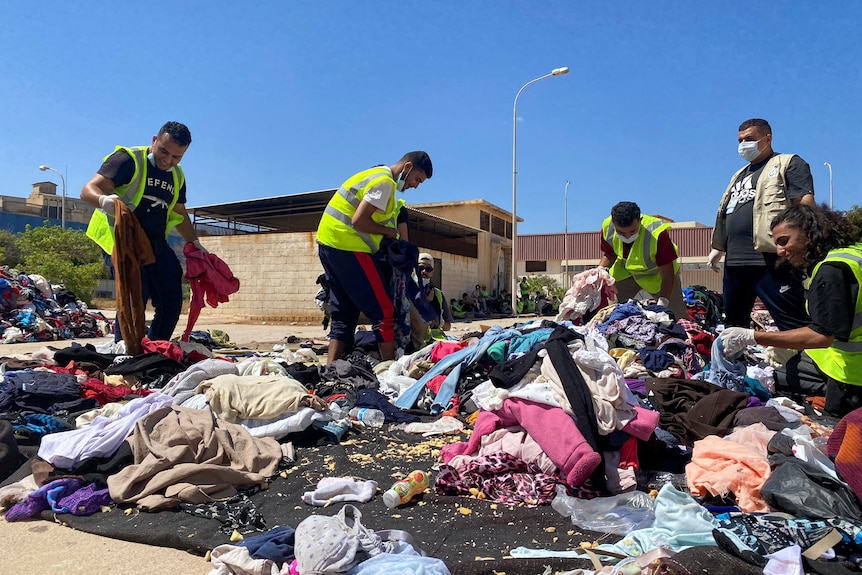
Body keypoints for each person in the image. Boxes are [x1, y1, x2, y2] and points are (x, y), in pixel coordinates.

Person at [721, 204, 862, 416]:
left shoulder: (831, 271)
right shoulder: (852, 254)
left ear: (808, 233)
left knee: (839, 433)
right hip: (846, 361)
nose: (779, 251)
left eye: (784, 241)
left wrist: (753, 336)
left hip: (852, 374)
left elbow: (821, 336)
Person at [80, 121, 204, 341]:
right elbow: (88, 189)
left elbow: (179, 212)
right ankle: (126, 353)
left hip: (155, 241)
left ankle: (156, 348)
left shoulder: (177, 176)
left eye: (176, 157)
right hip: (124, 241)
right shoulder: (129, 160)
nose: (167, 161)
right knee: (133, 299)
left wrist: (195, 244)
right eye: (163, 151)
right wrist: (103, 200)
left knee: (172, 299)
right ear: (154, 141)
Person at [316, 151, 432, 363]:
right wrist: (387, 232)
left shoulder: (372, 174)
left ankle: (330, 369)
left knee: (344, 313)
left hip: (328, 243)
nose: (416, 185)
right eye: (417, 179)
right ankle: (388, 369)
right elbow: (359, 220)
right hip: (347, 246)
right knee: (385, 311)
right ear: (407, 167)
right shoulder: (384, 182)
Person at [709, 118, 815, 330]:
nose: (743, 144)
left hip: (771, 260)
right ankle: (733, 363)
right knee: (733, 326)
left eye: (749, 139)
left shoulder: (788, 163)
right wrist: (718, 246)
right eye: (740, 140)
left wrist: (799, 246)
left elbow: (804, 206)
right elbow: (726, 212)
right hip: (736, 263)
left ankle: (801, 363)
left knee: (792, 322)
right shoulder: (739, 175)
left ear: (768, 138)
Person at [599, 201, 687, 320]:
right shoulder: (607, 227)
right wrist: (600, 271)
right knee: (612, 313)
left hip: (658, 277)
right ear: (614, 224)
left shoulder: (657, 234)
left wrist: (662, 305)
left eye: (632, 231)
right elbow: (609, 253)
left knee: (676, 318)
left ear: (640, 221)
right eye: (621, 232)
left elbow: (667, 275)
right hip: (625, 274)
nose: (627, 237)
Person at [409, 252, 453, 348]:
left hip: (437, 342)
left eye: (428, 269)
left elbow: (447, 327)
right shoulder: (406, 292)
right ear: (413, 270)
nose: (424, 272)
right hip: (415, 342)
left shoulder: (438, 294)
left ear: (432, 272)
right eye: (420, 268)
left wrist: (440, 322)